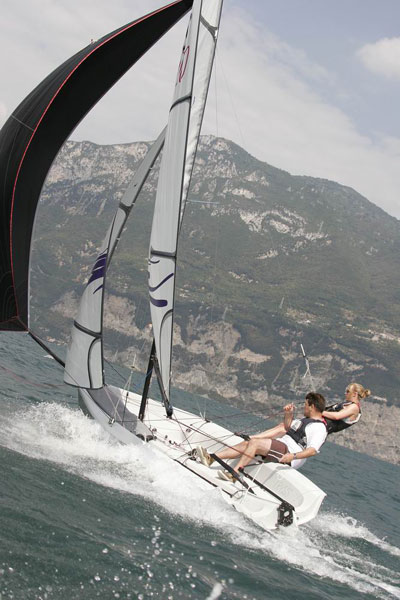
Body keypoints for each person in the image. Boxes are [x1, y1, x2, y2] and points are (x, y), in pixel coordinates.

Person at [196, 391, 327, 481]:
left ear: (312, 406)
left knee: (255, 443)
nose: (304, 408)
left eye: (305, 405)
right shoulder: (303, 420)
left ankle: (234, 474)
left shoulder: (319, 428)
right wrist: (289, 414)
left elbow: (312, 451)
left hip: (290, 453)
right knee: (249, 443)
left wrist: (292, 456)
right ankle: (211, 458)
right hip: (282, 446)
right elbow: (287, 428)